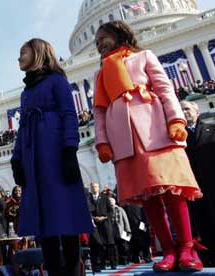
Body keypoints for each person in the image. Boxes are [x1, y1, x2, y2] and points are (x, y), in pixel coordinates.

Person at [93, 20, 203, 272]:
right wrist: (102, 141)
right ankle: (169, 250)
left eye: (103, 38)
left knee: (172, 191)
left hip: (154, 130)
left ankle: (187, 247)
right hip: (124, 140)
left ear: (119, 34)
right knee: (148, 197)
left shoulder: (143, 57)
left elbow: (165, 89)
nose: (99, 44)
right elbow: (99, 111)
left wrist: (176, 119)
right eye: (97, 42)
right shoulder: (100, 74)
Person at [11, 38, 93, 276]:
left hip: (55, 154)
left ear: (37, 53)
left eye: (22, 52)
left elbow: (69, 114)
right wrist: (16, 159)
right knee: (43, 219)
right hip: (32, 157)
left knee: (65, 214)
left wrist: (69, 149)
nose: (18, 57)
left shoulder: (57, 81)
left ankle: (73, 271)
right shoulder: (26, 93)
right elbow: (23, 126)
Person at [181, 100, 215, 266]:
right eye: (181, 110)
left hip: (212, 184)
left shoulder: (212, 130)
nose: (184, 112)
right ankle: (209, 259)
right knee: (203, 226)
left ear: (197, 112)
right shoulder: (179, 138)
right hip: (195, 190)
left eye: (187, 108)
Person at [87, 182, 115, 271]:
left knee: (109, 244)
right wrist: (93, 218)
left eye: (95, 187)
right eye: (92, 187)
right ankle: (101, 264)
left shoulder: (105, 198)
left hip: (105, 223)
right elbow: (87, 211)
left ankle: (112, 263)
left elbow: (111, 211)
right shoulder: (88, 199)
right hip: (95, 224)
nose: (94, 188)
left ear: (98, 188)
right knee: (98, 244)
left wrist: (105, 217)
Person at [108, 197, 131, 266]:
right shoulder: (107, 210)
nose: (111, 203)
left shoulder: (120, 209)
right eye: (110, 202)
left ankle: (124, 260)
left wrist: (128, 230)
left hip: (121, 230)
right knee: (114, 247)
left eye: (112, 202)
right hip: (112, 230)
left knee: (123, 246)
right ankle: (116, 261)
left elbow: (125, 220)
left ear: (115, 202)